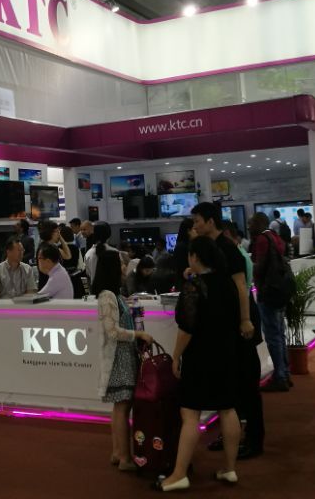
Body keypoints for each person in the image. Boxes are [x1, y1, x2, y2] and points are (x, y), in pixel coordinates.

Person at [161, 236, 243, 490]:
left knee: (190, 413)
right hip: (226, 352)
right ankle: (230, 468)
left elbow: (187, 327)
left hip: (200, 355)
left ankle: (179, 474)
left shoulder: (194, 287)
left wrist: (176, 356)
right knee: (227, 408)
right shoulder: (227, 282)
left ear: (195, 257)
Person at [191, 203, 263, 460]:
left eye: (197, 221)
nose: (195, 226)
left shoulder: (228, 248)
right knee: (232, 383)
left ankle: (254, 439)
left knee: (247, 384)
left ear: (211, 221)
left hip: (241, 324)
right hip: (228, 325)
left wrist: (244, 320)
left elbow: (241, 286)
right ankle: (233, 434)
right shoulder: (212, 247)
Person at [93, 247, 152, 471]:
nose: (124, 266)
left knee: (120, 407)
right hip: (120, 358)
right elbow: (112, 332)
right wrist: (138, 335)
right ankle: (125, 458)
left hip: (123, 356)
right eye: (120, 263)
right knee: (123, 407)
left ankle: (118, 453)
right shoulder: (108, 296)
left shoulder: (114, 295)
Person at [248, 212, 291, 393]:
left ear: (258, 223)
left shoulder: (262, 240)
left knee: (273, 335)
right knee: (279, 333)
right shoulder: (275, 236)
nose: (248, 226)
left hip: (268, 292)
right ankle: (285, 373)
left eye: (251, 223)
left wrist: (252, 268)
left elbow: (259, 267)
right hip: (279, 290)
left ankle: (279, 376)